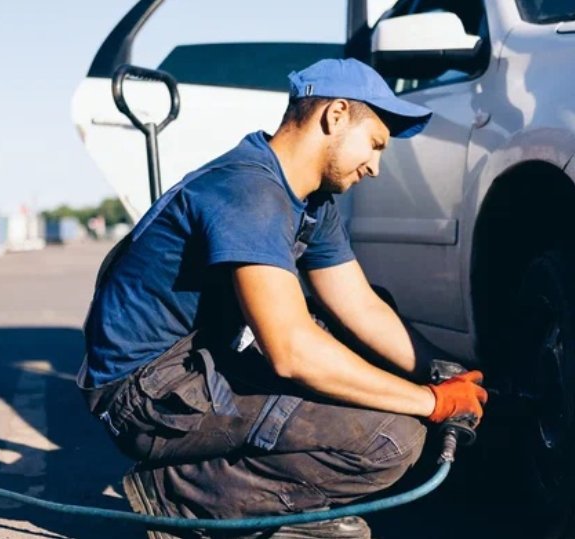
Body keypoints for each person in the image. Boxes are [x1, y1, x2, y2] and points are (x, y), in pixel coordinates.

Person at [78, 58, 488, 539]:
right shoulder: (249, 192)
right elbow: (291, 352)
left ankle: (211, 484)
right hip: (144, 394)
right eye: (375, 144)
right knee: (390, 439)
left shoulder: (311, 201)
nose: (376, 167)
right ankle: (186, 496)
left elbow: (359, 305)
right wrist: (428, 401)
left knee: (354, 342)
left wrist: (442, 372)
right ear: (335, 115)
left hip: (197, 361)